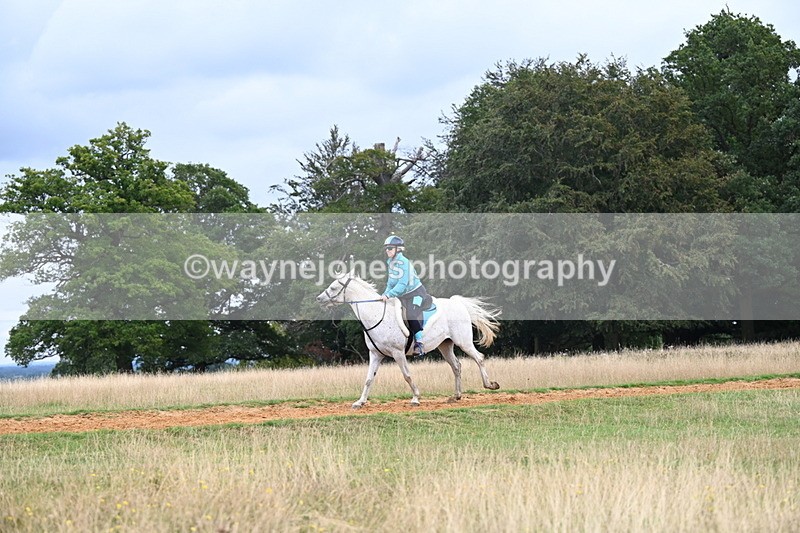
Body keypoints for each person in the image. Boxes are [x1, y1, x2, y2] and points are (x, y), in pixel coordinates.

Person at [379, 235, 430, 357]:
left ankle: (419, 343)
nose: (387, 250)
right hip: (403, 296)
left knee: (411, 314)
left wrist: (389, 294)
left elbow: (402, 284)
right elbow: (390, 283)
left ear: (398, 249)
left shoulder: (404, 263)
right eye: (386, 248)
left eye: (390, 248)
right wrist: (385, 294)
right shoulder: (390, 262)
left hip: (416, 293)